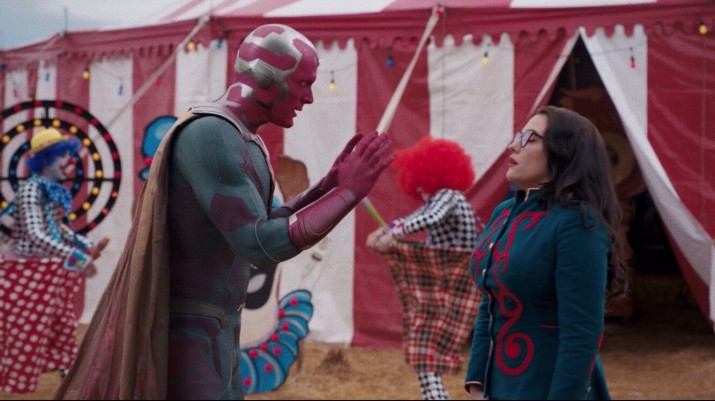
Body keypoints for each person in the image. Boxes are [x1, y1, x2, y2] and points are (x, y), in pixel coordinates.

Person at [54, 23, 394, 400]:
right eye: (303, 83)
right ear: (267, 77)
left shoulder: (240, 137)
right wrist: (347, 193)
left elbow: (266, 222)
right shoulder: (212, 135)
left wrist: (327, 186)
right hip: (189, 332)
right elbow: (259, 246)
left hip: (216, 329)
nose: (309, 97)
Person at [464, 106, 628, 400]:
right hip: (498, 384)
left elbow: (582, 332)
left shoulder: (578, 222)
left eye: (531, 139)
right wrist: (477, 384)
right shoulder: (504, 212)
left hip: (550, 386)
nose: (514, 145)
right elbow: (490, 302)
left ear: (563, 153)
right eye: (519, 136)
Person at [367, 136, 482, 400]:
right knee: (425, 349)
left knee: (426, 347)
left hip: (453, 278)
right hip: (448, 278)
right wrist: (390, 230)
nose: (418, 189)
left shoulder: (448, 197)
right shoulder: (444, 199)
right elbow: (417, 217)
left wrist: (392, 233)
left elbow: (429, 218)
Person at [0, 128, 103, 394]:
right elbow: (36, 234)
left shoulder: (52, 191)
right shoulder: (30, 190)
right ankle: (18, 377)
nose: (69, 161)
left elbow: (58, 229)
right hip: (26, 272)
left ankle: (67, 369)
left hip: (50, 269)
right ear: (46, 160)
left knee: (63, 319)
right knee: (25, 328)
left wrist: (85, 244)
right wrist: (74, 255)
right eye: (63, 156)